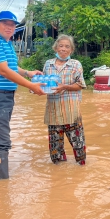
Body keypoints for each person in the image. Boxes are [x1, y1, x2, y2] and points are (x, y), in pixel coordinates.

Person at [0, 11, 45, 179]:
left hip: (4, 96)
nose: (9, 27)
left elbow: (11, 67)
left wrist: (28, 72)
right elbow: (4, 71)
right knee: (1, 143)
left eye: (12, 24)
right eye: (5, 23)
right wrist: (31, 86)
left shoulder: (6, 43)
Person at [43, 34, 87, 165]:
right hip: (54, 111)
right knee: (55, 151)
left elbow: (81, 85)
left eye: (67, 46)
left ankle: (81, 169)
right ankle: (58, 176)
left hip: (71, 110)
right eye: (61, 46)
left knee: (78, 146)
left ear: (71, 50)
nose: (63, 49)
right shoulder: (48, 64)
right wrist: (35, 88)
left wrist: (65, 87)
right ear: (55, 48)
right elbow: (44, 84)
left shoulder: (75, 65)